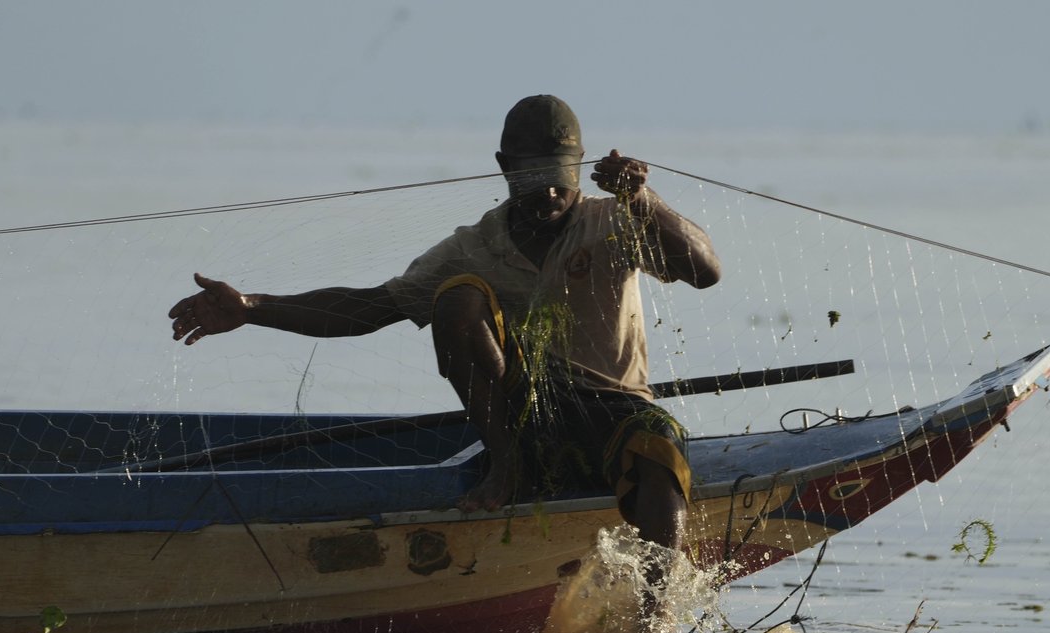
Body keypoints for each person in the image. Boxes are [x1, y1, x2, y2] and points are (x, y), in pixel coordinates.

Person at [168, 95, 721, 578]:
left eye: (562, 177)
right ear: (504, 168)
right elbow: (369, 308)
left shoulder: (616, 222)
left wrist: (643, 200)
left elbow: (704, 270)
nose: (550, 192)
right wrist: (253, 308)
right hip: (527, 415)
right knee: (457, 295)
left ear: (582, 167)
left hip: (613, 407)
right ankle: (507, 466)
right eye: (534, 176)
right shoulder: (473, 245)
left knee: (658, 458)